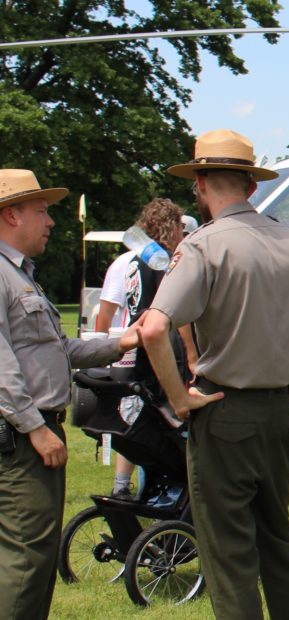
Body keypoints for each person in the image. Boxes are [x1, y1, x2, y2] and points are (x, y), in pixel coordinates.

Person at [139, 129, 289, 620]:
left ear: (200, 184)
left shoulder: (202, 246)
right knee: (277, 541)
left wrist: (179, 399)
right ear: (252, 187)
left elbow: (153, 327)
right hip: (278, 414)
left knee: (229, 553)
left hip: (224, 413)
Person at [0, 168, 138, 620]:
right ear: (10, 215)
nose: (51, 221)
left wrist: (125, 340)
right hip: (20, 438)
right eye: (41, 211)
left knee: (29, 557)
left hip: (25, 433)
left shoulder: (21, 275)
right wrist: (35, 428)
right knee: (28, 556)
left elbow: (61, 351)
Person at [97, 198, 197, 498]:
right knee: (170, 425)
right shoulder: (163, 261)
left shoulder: (134, 261)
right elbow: (175, 313)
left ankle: (144, 490)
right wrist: (192, 355)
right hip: (162, 349)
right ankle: (165, 499)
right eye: (180, 226)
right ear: (170, 226)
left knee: (147, 424)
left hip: (138, 350)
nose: (183, 232)